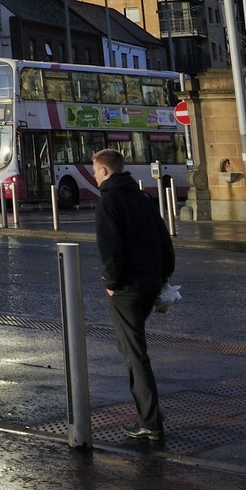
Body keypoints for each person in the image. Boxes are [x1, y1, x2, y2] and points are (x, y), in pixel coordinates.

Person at [92, 147, 175, 447]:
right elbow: (164, 240)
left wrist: (111, 283)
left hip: (126, 288)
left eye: (95, 170)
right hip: (151, 282)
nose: (94, 175)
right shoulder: (142, 197)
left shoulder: (108, 200)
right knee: (135, 347)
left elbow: (111, 247)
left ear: (104, 170)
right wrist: (164, 275)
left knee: (134, 353)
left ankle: (149, 423)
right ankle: (149, 415)